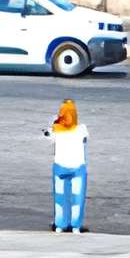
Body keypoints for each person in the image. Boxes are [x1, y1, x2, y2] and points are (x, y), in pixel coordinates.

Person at [47, 98, 88, 234]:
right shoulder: (82, 129)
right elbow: (85, 142)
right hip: (77, 167)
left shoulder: (56, 129)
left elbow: (49, 138)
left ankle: (60, 225)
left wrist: (55, 123)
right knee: (77, 197)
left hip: (60, 166)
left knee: (60, 197)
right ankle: (75, 225)